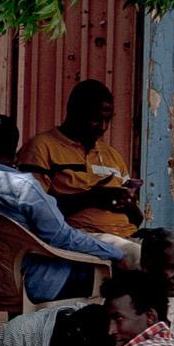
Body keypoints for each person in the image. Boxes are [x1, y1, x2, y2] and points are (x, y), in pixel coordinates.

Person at [0, 113, 136, 303]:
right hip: (43, 284)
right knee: (122, 267)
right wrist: (116, 253)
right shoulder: (24, 187)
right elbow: (62, 237)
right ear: (15, 150)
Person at [23, 81, 139, 241]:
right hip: (81, 236)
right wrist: (93, 198)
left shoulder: (112, 156)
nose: (103, 127)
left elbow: (137, 216)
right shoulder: (42, 147)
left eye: (108, 120)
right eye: (96, 120)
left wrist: (127, 201)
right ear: (75, 113)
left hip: (128, 234)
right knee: (148, 258)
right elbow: (34, 210)